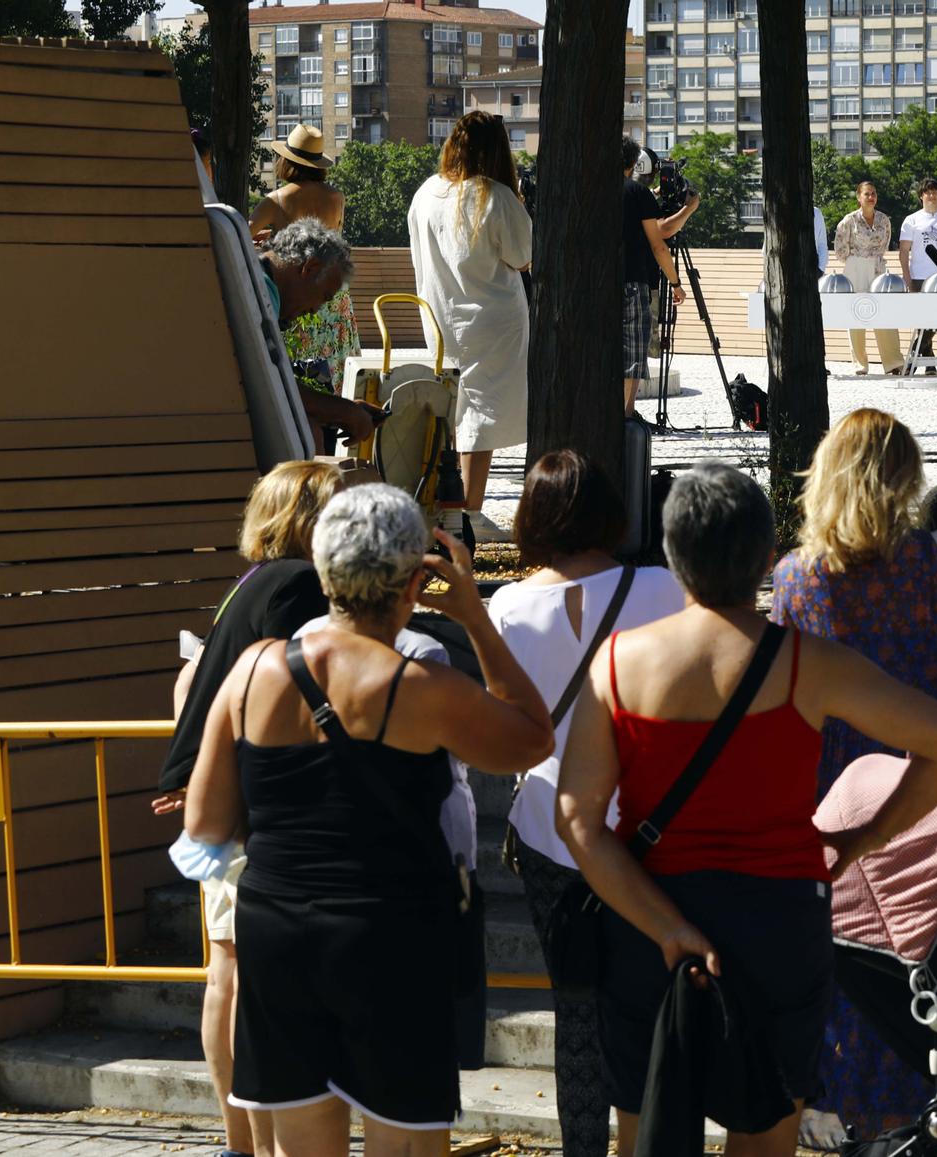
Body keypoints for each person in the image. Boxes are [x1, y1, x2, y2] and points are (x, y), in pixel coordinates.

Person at [555, 462, 937, 1157]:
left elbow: (577, 819)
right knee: (766, 1141)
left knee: (645, 1132)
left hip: (646, 919)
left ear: (671, 551)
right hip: (776, 924)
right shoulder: (807, 663)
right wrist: (864, 837)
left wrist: (667, 925)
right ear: (764, 555)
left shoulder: (618, 662)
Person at [183, 484, 552, 1156]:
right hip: (394, 931)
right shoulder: (421, 686)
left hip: (279, 929)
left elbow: (205, 822)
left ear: (322, 568)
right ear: (416, 580)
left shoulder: (253, 671)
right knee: (405, 1140)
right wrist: (474, 616)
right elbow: (533, 737)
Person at [772, 409, 937, 1140]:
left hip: (841, 815)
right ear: (908, 479)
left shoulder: (797, 580)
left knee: (854, 983)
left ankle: (865, 1128)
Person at [490, 451, 686, 1157]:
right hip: (646, 828)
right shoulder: (664, 588)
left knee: (574, 1007)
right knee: (654, 1004)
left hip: (549, 830)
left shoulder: (507, 606)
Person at [156, 460, 341, 1157]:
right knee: (237, 975)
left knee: (227, 970)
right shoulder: (295, 584)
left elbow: (202, 682)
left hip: (224, 802)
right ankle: (255, 1142)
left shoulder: (249, 583)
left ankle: (243, 1139)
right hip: (257, 807)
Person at [408, 110, 533, 542]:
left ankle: (446, 504)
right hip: (492, 319)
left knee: (453, 412)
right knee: (482, 413)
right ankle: (469, 511)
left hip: (440, 315)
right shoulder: (494, 196)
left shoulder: (427, 193)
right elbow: (524, 256)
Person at [249, 125, 361, 399]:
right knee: (335, 374)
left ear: (286, 161)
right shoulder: (336, 197)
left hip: (297, 295)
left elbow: (239, 235)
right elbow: (329, 239)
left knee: (301, 377)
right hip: (332, 295)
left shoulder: (276, 199)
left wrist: (265, 244)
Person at [257, 221, 381, 449]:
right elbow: (269, 385)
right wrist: (346, 413)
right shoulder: (259, 295)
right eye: (324, 296)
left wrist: (342, 410)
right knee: (308, 434)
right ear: (310, 268)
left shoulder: (258, 285)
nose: (315, 310)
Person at [621, 137, 686, 413]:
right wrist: (676, 283)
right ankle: (625, 416)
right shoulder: (638, 194)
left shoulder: (590, 190)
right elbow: (659, 244)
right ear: (634, 163)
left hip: (596, 285)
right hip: (632, 284)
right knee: (632, 356)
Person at [831, 180, 903, 375]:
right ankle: (860, 364)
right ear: (859, 197)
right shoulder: (849, 220)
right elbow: (840, 248)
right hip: (855, 266)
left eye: (873, 194)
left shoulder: (883, 220)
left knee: (884, 313)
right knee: (856, 316)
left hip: (878, 267)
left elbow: (886, 242)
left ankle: (893, 362)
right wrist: (856, 261)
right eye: (867, 194)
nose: (871, 197)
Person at [898, 177, 937, 372]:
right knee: (922, 320)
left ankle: (913, 361)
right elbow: (903, 251)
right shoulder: (912, 220)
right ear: (921, 196)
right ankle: (929, 362)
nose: (932, 195)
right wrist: (907, 278)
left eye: (934, 191)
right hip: (919, 275)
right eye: (928, 192)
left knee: (936, 320)